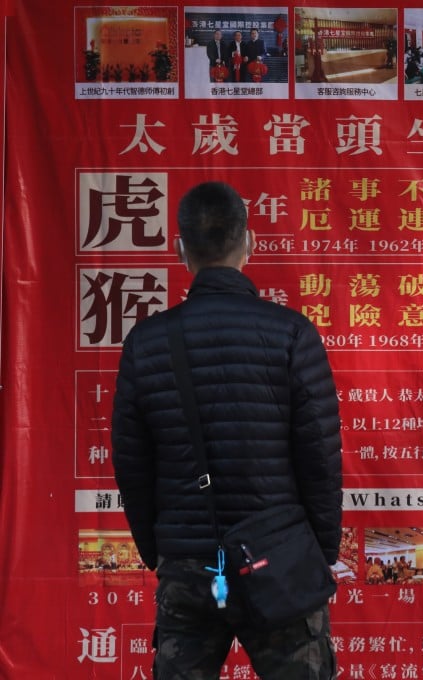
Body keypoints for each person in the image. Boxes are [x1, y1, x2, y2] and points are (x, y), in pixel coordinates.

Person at [112, 182, 341, 679]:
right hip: (279, 559)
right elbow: (319, 459)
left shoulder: (146, 344)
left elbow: (131, 467)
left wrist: (162, 551)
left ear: (180, 250)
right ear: (250, 243)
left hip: (189, 566)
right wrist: (318, 556)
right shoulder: (292, 334)